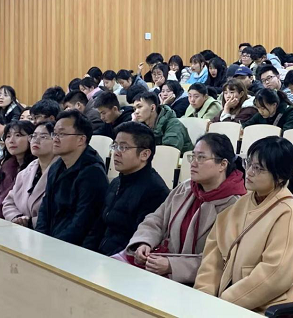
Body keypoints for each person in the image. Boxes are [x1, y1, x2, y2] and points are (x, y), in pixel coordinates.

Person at [194, 136, 293, 313]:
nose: (249, 172)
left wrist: (223, 304)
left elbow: (274, 275)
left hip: (264, 306)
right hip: (228, 302)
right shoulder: (242, 203)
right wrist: (203, 295)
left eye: (258, 168)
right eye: (249, 163)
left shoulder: (288, 214)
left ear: (280, 177)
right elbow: (214, 254)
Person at [125, 134, 246, 283]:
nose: (193, 163)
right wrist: (144, 242)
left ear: (222, 164)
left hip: (198, 282)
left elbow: (221, 260)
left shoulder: (235, 205)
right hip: (161, 265)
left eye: (201, 158)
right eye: (193, 156)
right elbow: (157, 219)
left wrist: (172, 266)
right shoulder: (186, 188)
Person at [84, 122, 170, 256]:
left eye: (123, 147)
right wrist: (85, 252)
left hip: (121, 260)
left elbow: (137, 240)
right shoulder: (116, 182)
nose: (116, 153)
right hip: (99, 256)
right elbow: (98, 226)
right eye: (115, 146)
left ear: (145, 154)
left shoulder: (155, 191)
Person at [35, 110, 109, 245]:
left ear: (81, 139)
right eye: (54, 133)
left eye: (62, 134)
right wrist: (40, 238)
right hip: (51, 241)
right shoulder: (56, 166)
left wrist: (52, 245)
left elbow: (82, 223)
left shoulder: (93, 173)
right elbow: (45, 209)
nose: (55, 139)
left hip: (75, 247)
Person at [2, 121, 57, 228]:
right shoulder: (27, 170)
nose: (36, 140)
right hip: (20, 229)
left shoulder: (63, 170)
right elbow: (9, 202)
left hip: (46, 232)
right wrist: (17, 217)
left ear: (56, 140)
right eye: (34, 136)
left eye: (43, 137)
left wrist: (30, 222)